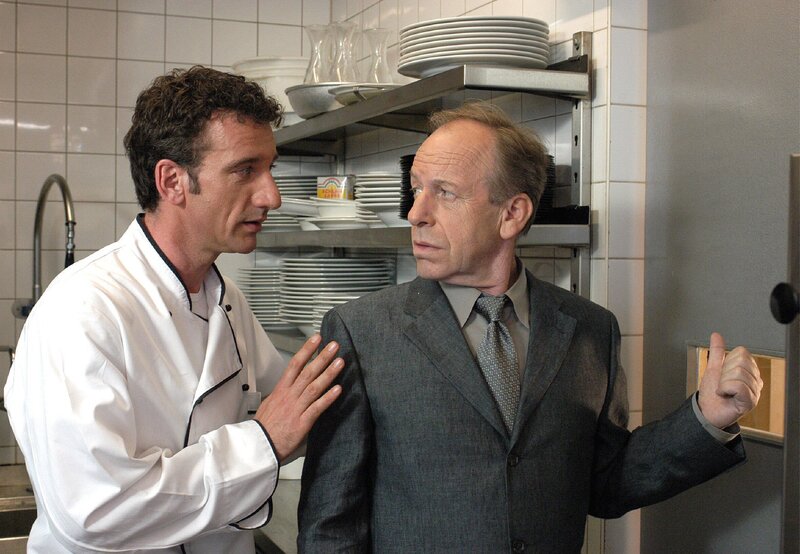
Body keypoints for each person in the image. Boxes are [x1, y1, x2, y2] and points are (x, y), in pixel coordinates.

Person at [297, 102, 763, 553]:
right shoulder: (361, 332)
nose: (415, 213)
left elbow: (606, 482)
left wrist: (705, 419)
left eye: (445, 192)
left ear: (512, 214)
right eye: (417, 189)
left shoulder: (590, 329)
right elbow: (330, 526)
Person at [3, 66, 344, 553]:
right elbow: (97, 512)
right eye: (245, 170)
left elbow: (290, 414)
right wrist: (264, 442)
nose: (273, 196)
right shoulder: (83, 310)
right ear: (172, 181)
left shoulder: (227, 299)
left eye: (270, 169)